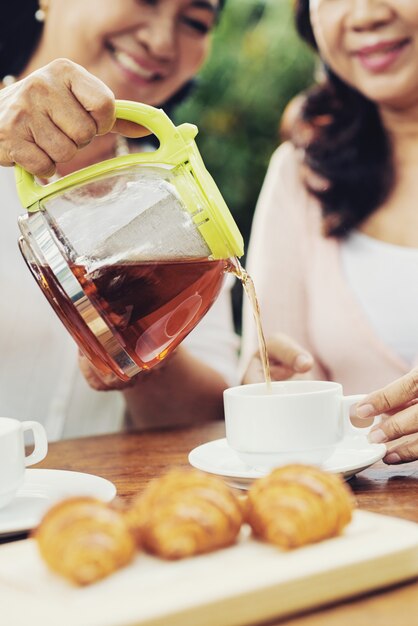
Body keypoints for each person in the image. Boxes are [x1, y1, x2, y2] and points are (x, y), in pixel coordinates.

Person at [0, 0, 245, 440]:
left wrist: (148, 353)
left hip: (93, 504)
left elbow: (204, 421)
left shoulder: (181, 209)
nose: (160, 41)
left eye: (194, 21)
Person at [240, 0, 418, 464]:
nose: (363, 16)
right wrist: (270, 388)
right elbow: (276, 372)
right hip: (363, 525)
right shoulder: (301, 177)